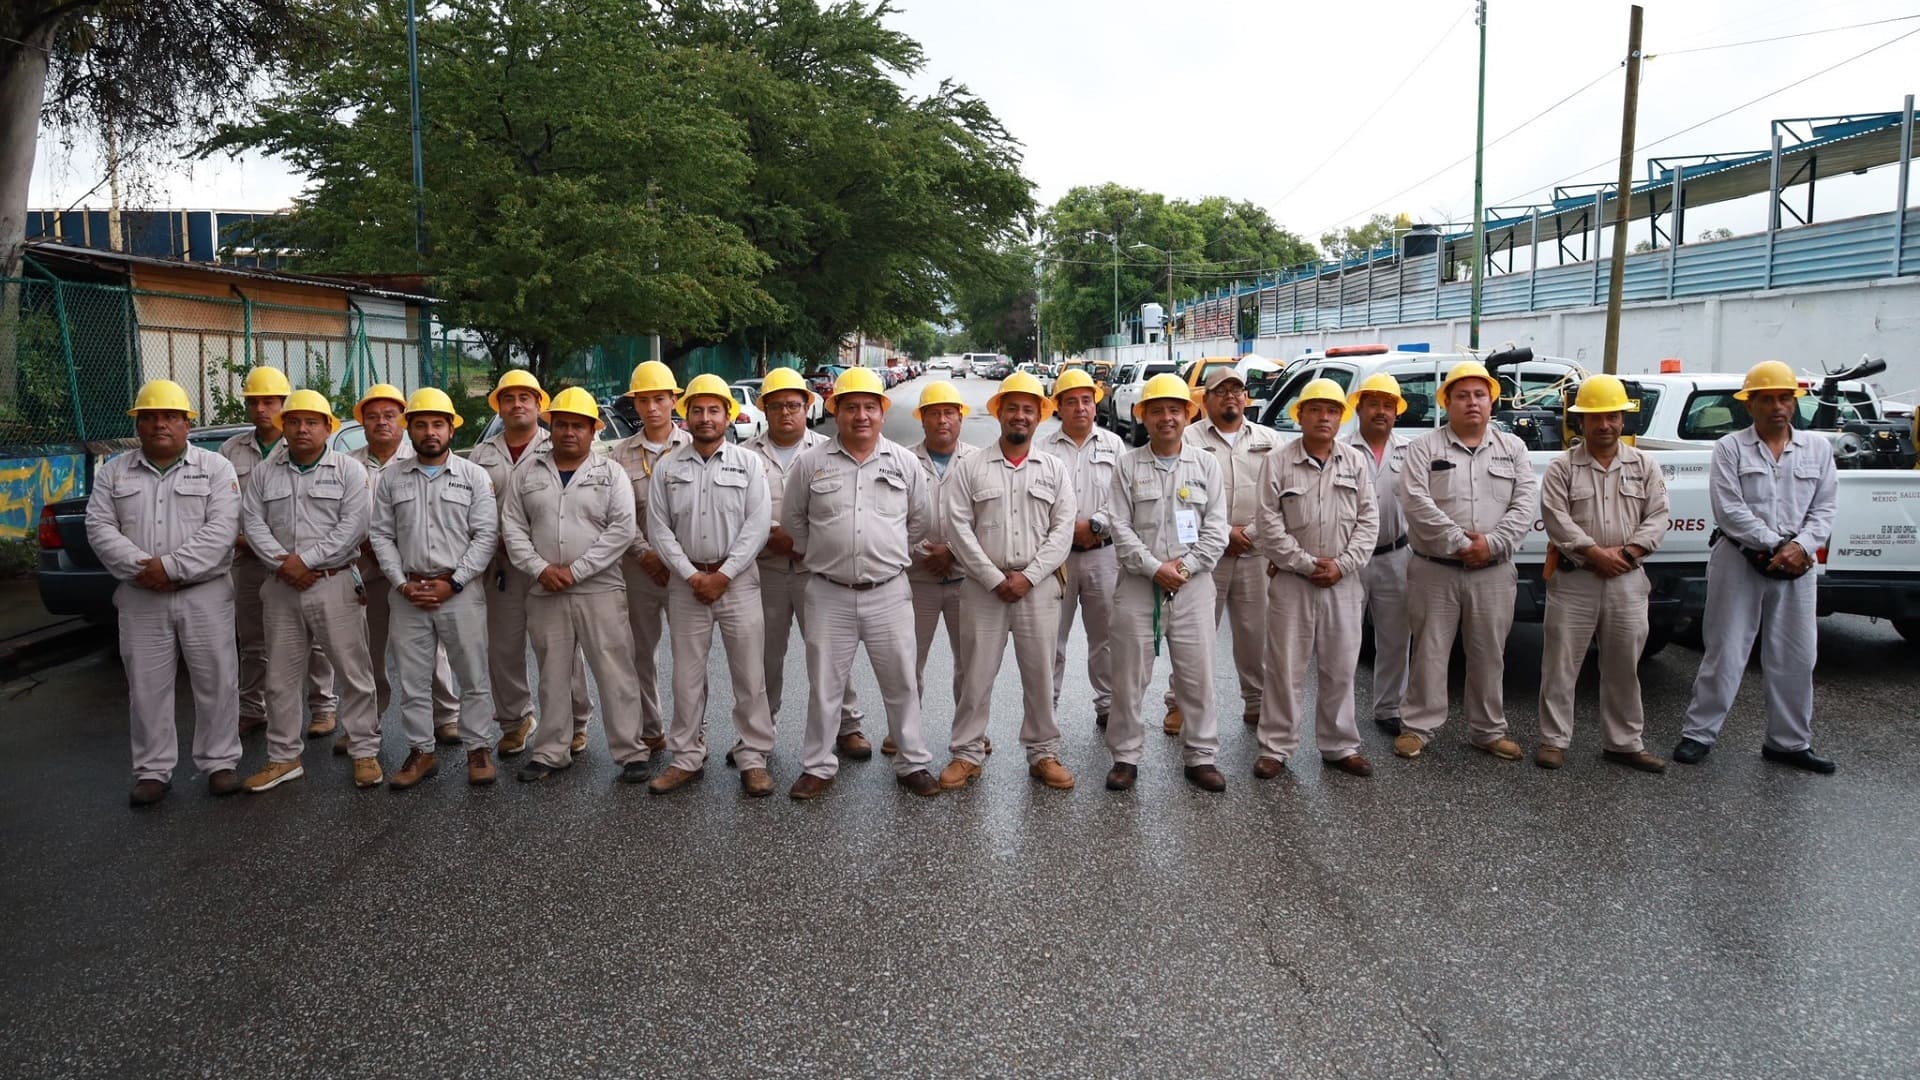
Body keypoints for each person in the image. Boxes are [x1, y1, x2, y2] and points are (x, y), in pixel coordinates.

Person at [781, 367, 941, 800]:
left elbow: (919, 521)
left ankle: (912, 762)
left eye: (870, 407)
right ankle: (817, 766)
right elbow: (793, 521)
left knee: (902, 682)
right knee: (824, 685)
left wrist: (881, 554)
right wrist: (831, 553)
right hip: (828, 591)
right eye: (851, 407)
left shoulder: (904, 463)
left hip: (888, 590)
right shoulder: (811, 463)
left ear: (882, 413)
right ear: (836, 412)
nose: (861, 416)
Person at [1676, 360, 1839, 774]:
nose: (1777, 407)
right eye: (1766, 399)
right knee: (1725, 649)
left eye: (1784, 398)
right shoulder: (1731, 448)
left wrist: (1800, 546)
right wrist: (1773, 544)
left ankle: (1788, 742)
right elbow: (1729, 509)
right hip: (1741, 558)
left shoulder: (1818, 449)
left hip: (1797, 566)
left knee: (1797, 656)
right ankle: (1699, 733)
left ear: (1794, 402)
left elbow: (1825, 508)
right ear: (1750, 405)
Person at [87, 380, 244, 806]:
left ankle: (220, 762)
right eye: (150, 416)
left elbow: (222, 529)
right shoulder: (116, 471)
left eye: (170, 416)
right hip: (140, 596)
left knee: (217, 679)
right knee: (146, 685)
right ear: (138, 424)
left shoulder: (216, 468)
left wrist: (170, 567)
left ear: (187, 423)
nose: (160, 424)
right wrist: (144, 570)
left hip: (204, 593)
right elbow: (99, 528)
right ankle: (152, 770)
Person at [499, 388, 648, 784]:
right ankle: (551, 751)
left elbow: (621, 529)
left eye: (578, 425)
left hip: (599, 588)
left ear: (592, 430)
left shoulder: (610, 472)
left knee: (615, 671)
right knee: (552, 673)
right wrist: (539, 567)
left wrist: (577, 570)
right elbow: (512, 526)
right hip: (545, 587)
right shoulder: (527, 473)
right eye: (561, 424)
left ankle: (630, 751)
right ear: (550, 426)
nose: (569, 432)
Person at [1393, 360, 1537, 762]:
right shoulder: (1424, 448)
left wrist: (1490, 545)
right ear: (1447, 403)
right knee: (1430, 652)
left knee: (1490, 652)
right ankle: (1418, 728)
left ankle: (1488, 731)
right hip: (1435, 569)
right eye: (1462, 396)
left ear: (1492, 401)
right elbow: (1416, 502)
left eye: (1479, 395)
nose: (1472, 403)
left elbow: (1524, 505)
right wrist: (1461, 543)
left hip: (1493, 571)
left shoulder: (1514, 449)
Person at [939, 372, 1077, 791]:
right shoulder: (971, 468)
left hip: (1038, 588)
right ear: (999, 413)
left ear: (1039, 417)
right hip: (984, 589)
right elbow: (958, 528)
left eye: (1029, 410)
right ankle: (967, 753)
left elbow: (1063, 530)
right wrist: (993, 578)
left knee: (1040, 675)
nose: (1020, 416)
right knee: (976, 675)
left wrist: (1029, 578)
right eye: (1013, 408)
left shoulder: (1054, 469)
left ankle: (1043, 753)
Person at [237, 390, 381, 791]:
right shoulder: (267, 472)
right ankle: (283, 758)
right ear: (284, 427)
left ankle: (364, 751)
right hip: (281, 585)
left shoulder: (349, 472)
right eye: (295, 421)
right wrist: (285, 564)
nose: (302, 429)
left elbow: (355, 524)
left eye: (312, 422)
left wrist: (308, 561)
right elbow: (253, 522)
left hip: (335, 582)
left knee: (354, 673)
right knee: (280, 677)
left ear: (328, 427)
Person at [646, 375, 776, 796]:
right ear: (686, 413)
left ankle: (753, 756)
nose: (705, 418)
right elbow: (659, 529)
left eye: (714, 410)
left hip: (737, 584)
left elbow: (757, 526)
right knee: (686, 675)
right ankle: (686, 756)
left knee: (749, 674)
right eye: (698, 410)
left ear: (728, 414)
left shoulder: (749, 463)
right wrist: (691, 575)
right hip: (687, 586)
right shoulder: (667, 467)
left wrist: (723, 575)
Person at [1536, 375, 1671, 773]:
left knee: (1623, 666)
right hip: (1575, 580)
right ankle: (1553, 740)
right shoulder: (1562, 468)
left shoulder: (1645, 465)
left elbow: (1658, 516)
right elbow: (1556, 520)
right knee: (1560, 665)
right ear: (1581, 421)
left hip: (1627, 581)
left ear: (1623, 419)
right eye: (1595, 417)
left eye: (1612, 416)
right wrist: (1594, 554)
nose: (1605, 425)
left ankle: (1624, 742)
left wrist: (1627, 554)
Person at [1104, 373, 1230, 793]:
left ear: (1187, 414)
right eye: (1156, 410)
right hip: (1140, 586)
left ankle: (1201, 756)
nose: (1166, 418)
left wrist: (1187, 568)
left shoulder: (1206, 463)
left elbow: (1217, 528)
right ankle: (1125, 756)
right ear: (1142, 416)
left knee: (1197, 676)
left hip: (1193, 588)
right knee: (1128, 677)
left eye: (1174, 410)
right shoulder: (1127, 464)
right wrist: (1153, 567)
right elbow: (1119, 528)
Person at [368, 388, 500, 788]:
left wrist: (454, 582)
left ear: (451, 429)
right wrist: (401, 584)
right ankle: (420, 751)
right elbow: (381, 535)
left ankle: (478, 748)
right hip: (408, 592)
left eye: (438, 424)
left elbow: (485, 535)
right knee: (413, 678)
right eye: (421, 424)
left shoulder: (474, 476)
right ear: (410, 429)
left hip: (460, 591)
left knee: (473, 675)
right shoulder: (391, 478)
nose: (430, 432)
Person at [1252, 379, 1379, 778]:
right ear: (1301, 415)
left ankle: (1340, 745)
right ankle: (1275, 747)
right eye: (1316, 410)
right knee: (1284, 668)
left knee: (1340, 668)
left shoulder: (1355, 462)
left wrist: (1343, 564)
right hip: (1293, 581)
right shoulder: (1278, 461)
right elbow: (1268, 524)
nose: (1324, 417)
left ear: (1341, 417)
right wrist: (1306, 563)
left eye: (1332, 411)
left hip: (1343, 581)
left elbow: (1368, 522)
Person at [468, 370, 593, 759]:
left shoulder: (558, 445)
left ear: (540, 405)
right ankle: (515, 720)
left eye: (526, 397)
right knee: (503, 648)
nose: (517, 404)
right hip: (501, 567)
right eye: (509, 398)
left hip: (550, 568)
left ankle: (575, 721)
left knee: (559, 649)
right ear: (499, 407)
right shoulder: (481, 455)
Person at [743, 367, 865, 763]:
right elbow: (737, 515)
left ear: (807, 406)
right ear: (764, 410)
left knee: (831, 654)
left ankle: (848, 727)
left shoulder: (829, 451)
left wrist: (800, 543)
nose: (785, 413)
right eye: (776, 406)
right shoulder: (746, 457)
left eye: (793, 405)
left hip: (817, 572)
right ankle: (758, 733)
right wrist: (772, 535)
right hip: (766, 571)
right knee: (765, 657)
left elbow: (845, 511)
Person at [344, 384, 460, 756]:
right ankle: (366, 723)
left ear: (403, 422)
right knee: (368, 651)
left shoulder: (423, 456)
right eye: (372, 416)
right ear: (362, 422)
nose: (381, 423)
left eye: (389, 415)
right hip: (366, 571)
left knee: (433, 650)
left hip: (416, 573)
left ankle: (446, 717)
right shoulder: (348, 463)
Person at [220, 365, 335, 739]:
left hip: (303, 564)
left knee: (316, 639)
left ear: (284, 404)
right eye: (253, 402)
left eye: (269, 401)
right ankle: (253, 708)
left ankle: (322, 708)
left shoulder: (304, 442)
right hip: (249, 560)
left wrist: (298, 559)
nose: (260, 409)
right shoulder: (231, 449)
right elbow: (227, 508)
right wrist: (250, 543)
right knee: (252, 639)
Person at [1170, 367, 1281, 734]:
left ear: (1246, 398)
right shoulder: (1186, 439)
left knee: (1256, 635)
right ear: (1205, 400)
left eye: (1237, 390)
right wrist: (1221, 533)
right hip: (1204, 557)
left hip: (1254, 551)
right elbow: (1175, 498)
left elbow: (1278, 498)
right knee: (1194, 634)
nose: (1230, 396)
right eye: (1221, 391)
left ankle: (1256, 702)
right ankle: (1179, 705)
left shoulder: (1270, 440)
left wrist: (1246, 533)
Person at [607, 361, 690, 768]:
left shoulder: (694, 447)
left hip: (687, 571)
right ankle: (650, 729)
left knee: (690, 656)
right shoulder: (618, 454)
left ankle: (693, 733)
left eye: (660, 398)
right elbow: (617, 517)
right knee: (640, 652)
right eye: (644, 400)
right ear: (634, 404)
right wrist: (644, 554)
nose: (653, 407)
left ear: (674, 400)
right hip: (638, 569)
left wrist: (677, 560)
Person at [1045, 368, 1127, 730]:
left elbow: (1124, 499)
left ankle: (1108, 705)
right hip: (1055, 560)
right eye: (1070, 401)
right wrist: (1066, 532)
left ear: (1095, 406)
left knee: (1106, 636)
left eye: (1086, 401)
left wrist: (1095, 524)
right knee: (1051, 638)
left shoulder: (1114, 445)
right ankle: (1046, 707)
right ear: (1058, 407)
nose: (1079, 408)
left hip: (1103, 554)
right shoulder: (1042, 448)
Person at [905, 380, 980, 753]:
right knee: (909, 661)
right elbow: (891, 518)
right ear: (922, 420)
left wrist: (951, 550)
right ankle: (905, 731)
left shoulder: (979, 461)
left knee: (969, 663)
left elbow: (987, 519)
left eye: (949, 412)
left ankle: (970, 732)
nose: (942, 420)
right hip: (917, 578)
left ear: (960, 418)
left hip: (967, 579)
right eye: (933, 413)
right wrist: (925, 552)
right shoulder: (902, 460)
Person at [1347, 373, 1415, 736]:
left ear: (1396, 412)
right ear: (1358, 408)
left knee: (1395, 638)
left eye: (1388, 405)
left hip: (1395, 554)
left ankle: (1389, 708)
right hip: (1350, 561)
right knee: (1345, 640)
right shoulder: (1342, 450)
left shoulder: (1410, 453)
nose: (1380, 411)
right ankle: (1340, 716)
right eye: (1373, 403)